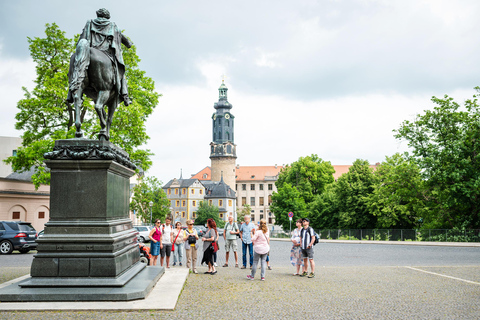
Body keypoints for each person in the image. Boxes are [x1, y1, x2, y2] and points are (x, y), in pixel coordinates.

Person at [68, 8, 132, 106]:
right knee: (120, 71)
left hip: (88, 52)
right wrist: (128, 43)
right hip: (106, 53)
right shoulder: (113, 26)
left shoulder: (89, 22)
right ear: (107, 16)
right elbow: (126, 42)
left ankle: (70, 93)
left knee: (77, 65)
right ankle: (125, 95)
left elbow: (82, 39)